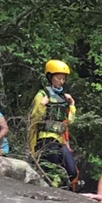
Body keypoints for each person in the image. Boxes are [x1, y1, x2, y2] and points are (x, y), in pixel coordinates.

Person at [27, 59, 82, 189]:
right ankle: (55, 188)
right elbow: (34, 118)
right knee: (54, 168)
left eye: (63, 79)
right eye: (58, 78)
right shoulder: (42, 95)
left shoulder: (64, 97)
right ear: (50, 77)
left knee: (72, 170)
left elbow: (69, 121)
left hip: (59, 141)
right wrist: (42, 105)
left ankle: (64, 186)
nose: (61, 81)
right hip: (45, 140)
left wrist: (72, 105)